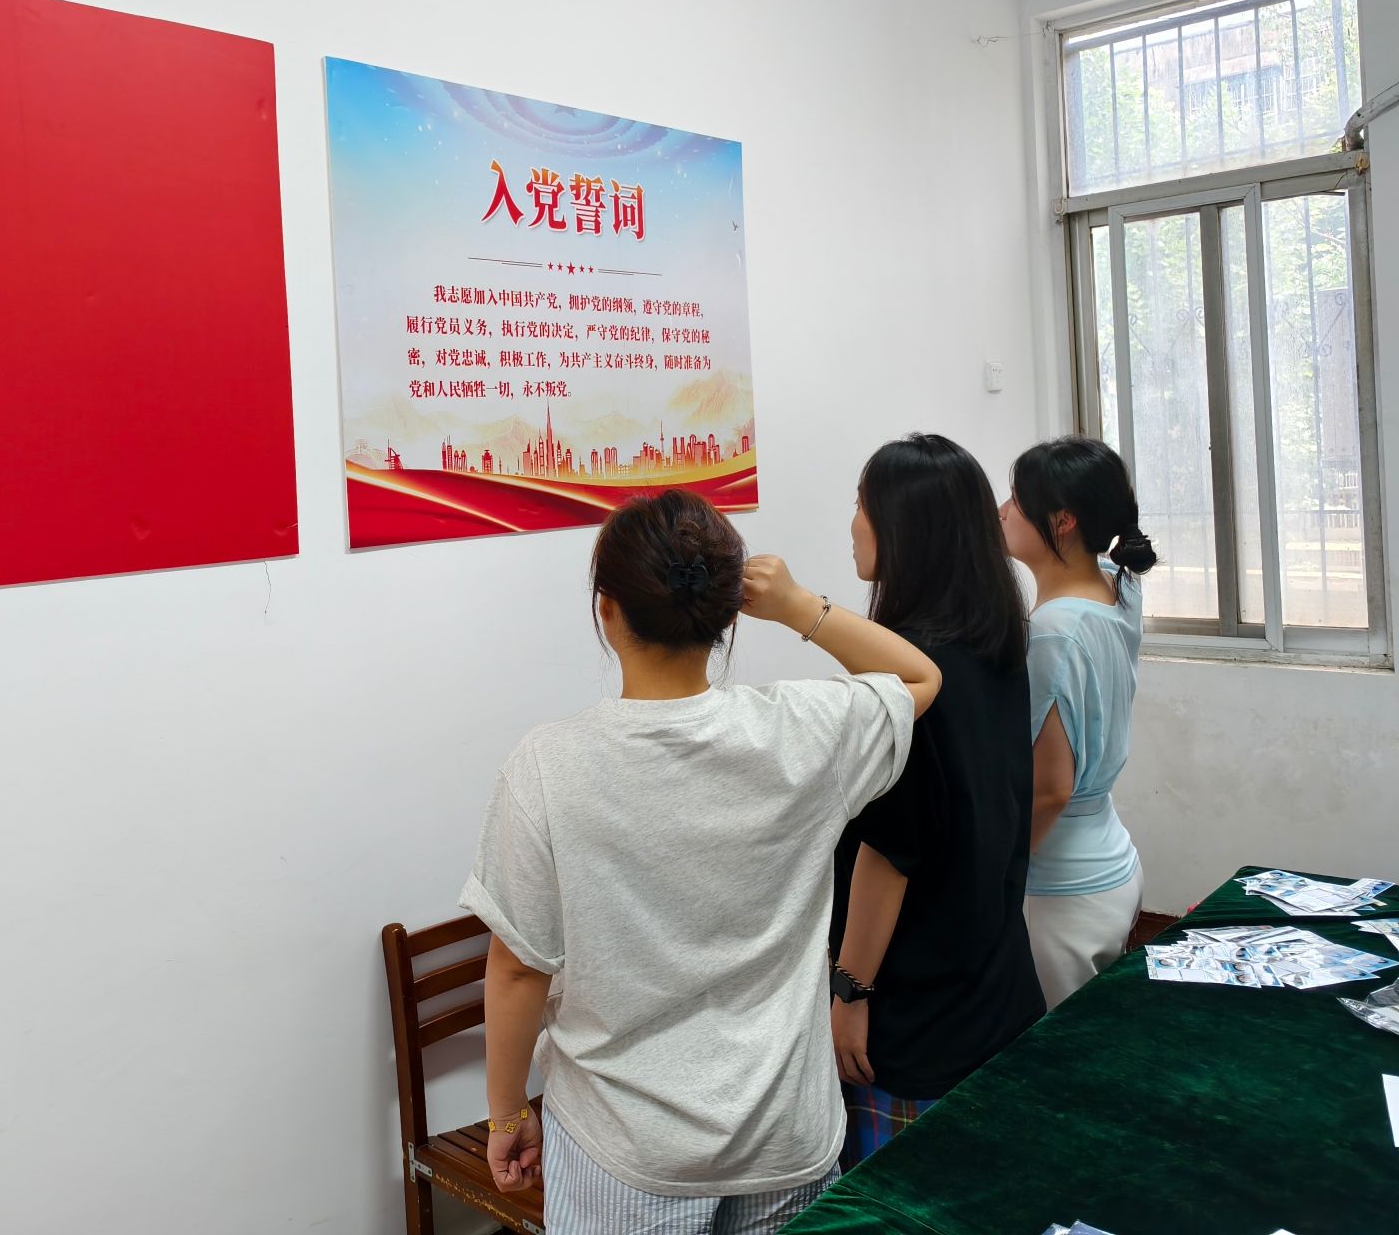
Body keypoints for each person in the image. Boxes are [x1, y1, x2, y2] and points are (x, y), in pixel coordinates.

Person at [460, 488, 942, 1233]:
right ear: (727, 615)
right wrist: (797, 607)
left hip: (626, 1148)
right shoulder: (805, 728)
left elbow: (520, 969)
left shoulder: (548, 767)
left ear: (606, 610)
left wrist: (504, 1113)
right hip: (785, 1132)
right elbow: (920, 678)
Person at [827, 435, 1046, 1166]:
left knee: (904, 1198)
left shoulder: (903, 686)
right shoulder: (994, 640)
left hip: (918, 1014)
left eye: (862, 506)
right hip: (994, 980)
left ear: (904, 528)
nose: (852, 524)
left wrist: (850, 992)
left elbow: (889, 853)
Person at [999, 435, 1155, 1008]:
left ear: (1063, 521)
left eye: (1016, 500)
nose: (1002, 511)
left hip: (1061, 890)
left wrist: (995, 879)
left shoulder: (1054, 632)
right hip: (1110, 860)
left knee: (1051, 1050)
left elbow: (1051, 790)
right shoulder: (1119, 585)